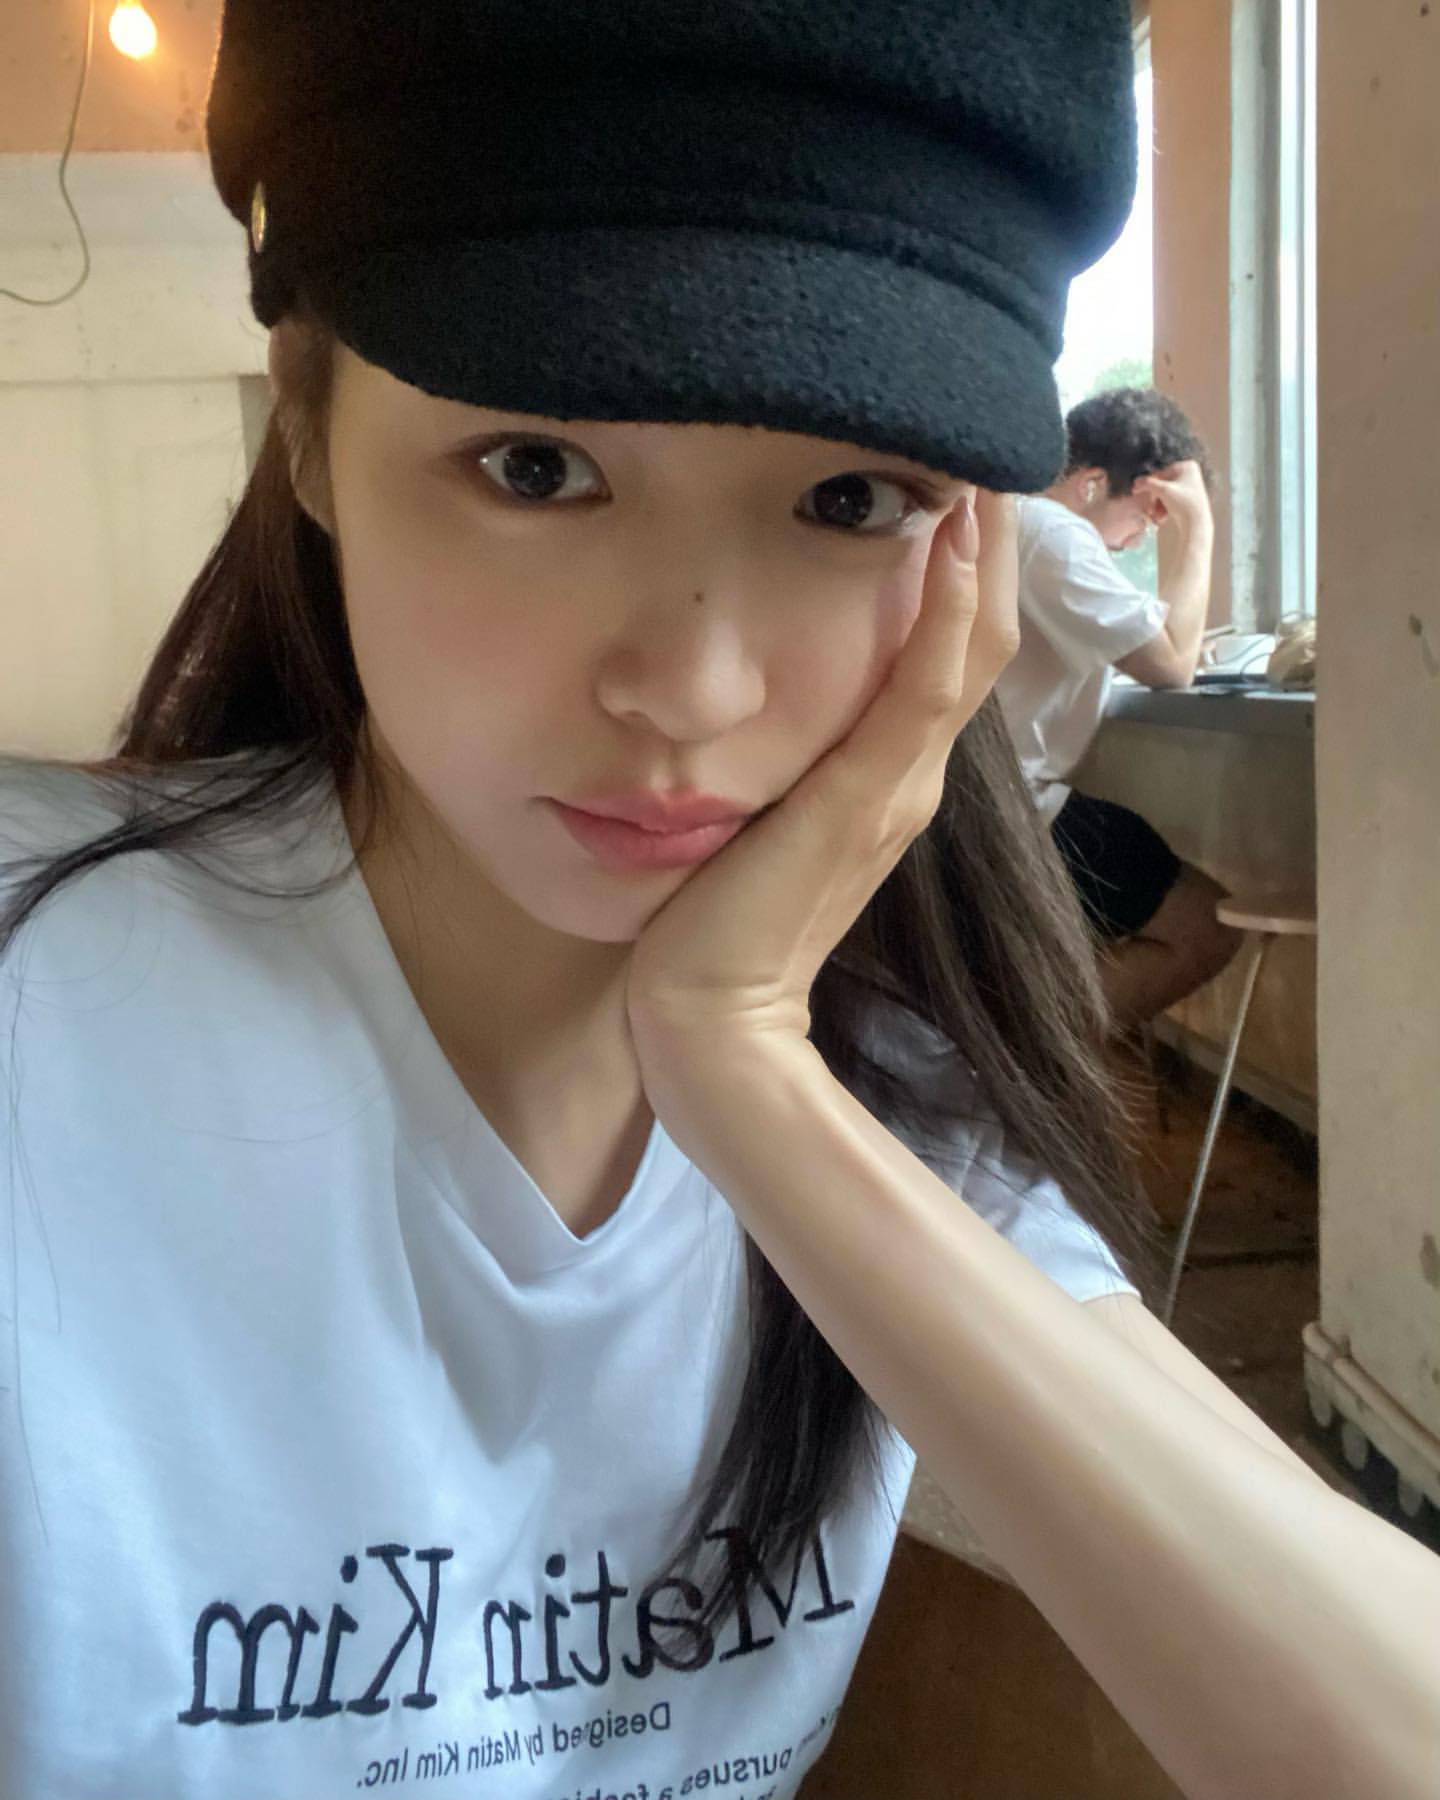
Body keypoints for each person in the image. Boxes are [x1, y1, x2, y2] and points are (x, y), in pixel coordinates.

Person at [2, 5, 1437, 1797]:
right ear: (307, 426)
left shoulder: (893, 1093)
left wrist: (740, 1060)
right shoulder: (44, 1007)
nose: (693, 688)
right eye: (537, 469)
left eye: (850, 496)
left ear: (972, 552)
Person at [995, 387, 1243, 1028]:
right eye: (1144, 516)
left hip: (995, 800)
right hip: (1012, 810)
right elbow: (1171, 665)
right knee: (1206, 926)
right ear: (1092, 483)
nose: (1135, 542)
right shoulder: (1052, 532)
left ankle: (1024, 1050)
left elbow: (1158, 646)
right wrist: (1199, 529)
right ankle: (1039, 1057)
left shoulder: (1017, 523)